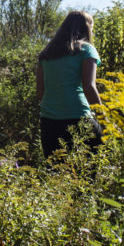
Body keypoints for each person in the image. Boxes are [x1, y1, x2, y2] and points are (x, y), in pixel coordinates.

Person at [35, 10, 103, 158]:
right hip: (78, 117)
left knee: (56, 172)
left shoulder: (47, 53)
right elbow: (89, 87)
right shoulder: (86, 49)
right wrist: (103, 117)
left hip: (49, 121)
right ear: (86, 27)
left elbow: (40, 92)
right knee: (89, 171)